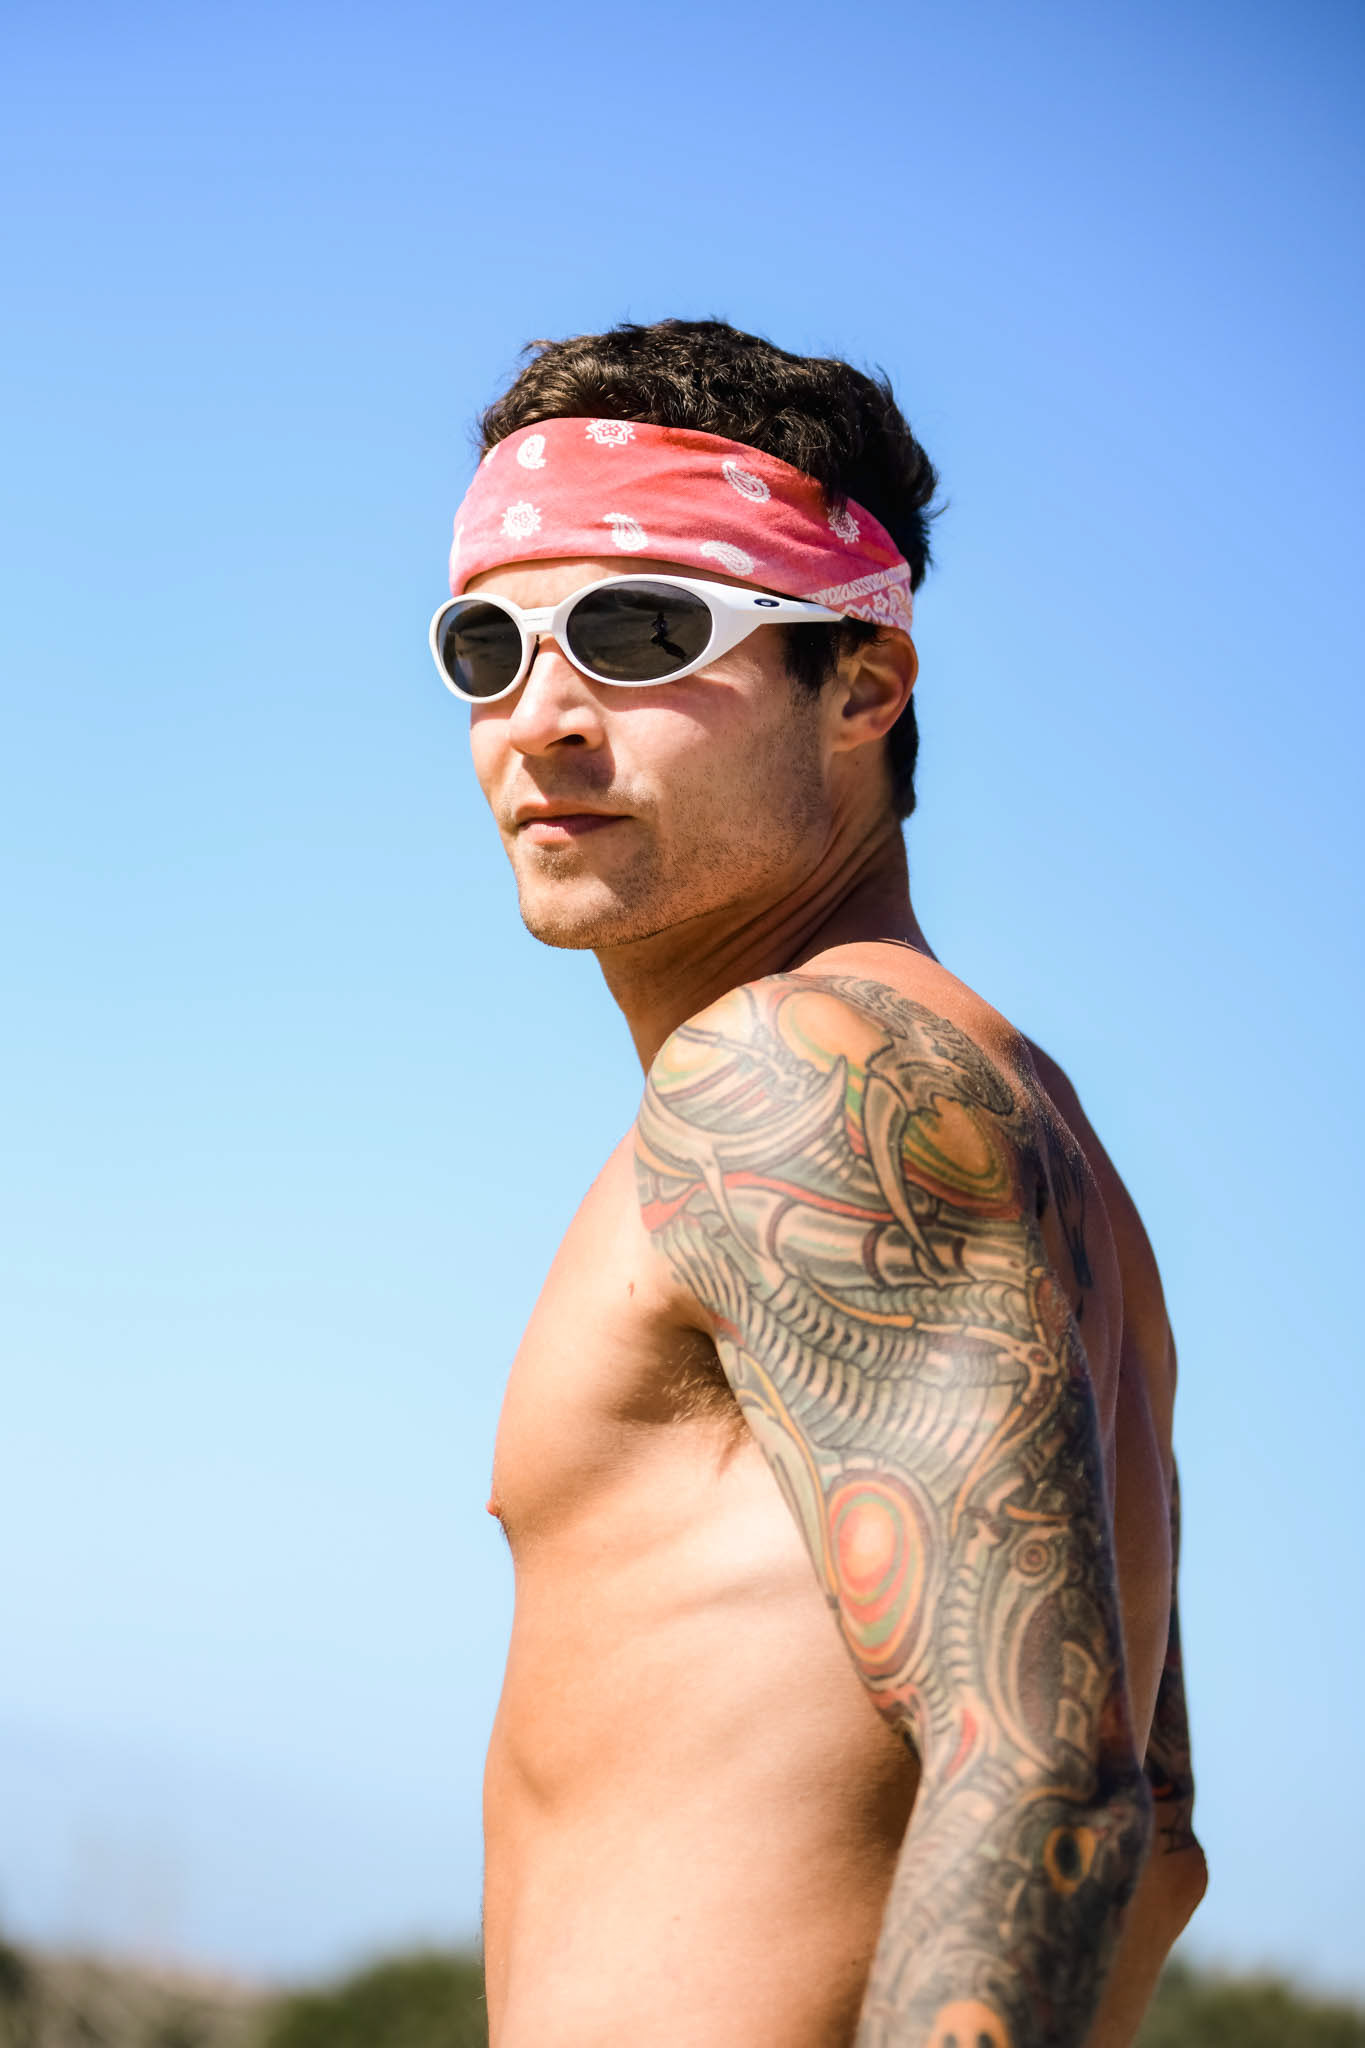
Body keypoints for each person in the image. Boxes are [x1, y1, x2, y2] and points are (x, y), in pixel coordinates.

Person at [432, 319, 1207, 2047]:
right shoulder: (998, 1110)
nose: (537, 718)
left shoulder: (802, 1077)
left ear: (860, 684)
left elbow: (1043, 1779)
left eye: (641, 633)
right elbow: (1153, 1826)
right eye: (487, 645)